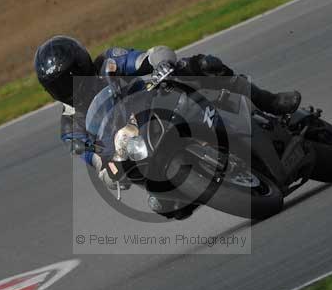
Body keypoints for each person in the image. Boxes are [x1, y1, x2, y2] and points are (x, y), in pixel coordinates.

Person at [34, 36, 301, 218]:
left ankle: (269, 101)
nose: (71, 86)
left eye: (72, 75)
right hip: (138, 151)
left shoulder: (108, 62)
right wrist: (107, 170)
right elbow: (93, 157)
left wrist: (160, 62)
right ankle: (200, 185)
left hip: (161, 106)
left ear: (83, 61)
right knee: (162, 205)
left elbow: (147, 57)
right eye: (60, 84)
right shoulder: (70, 126)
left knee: (202, 66)